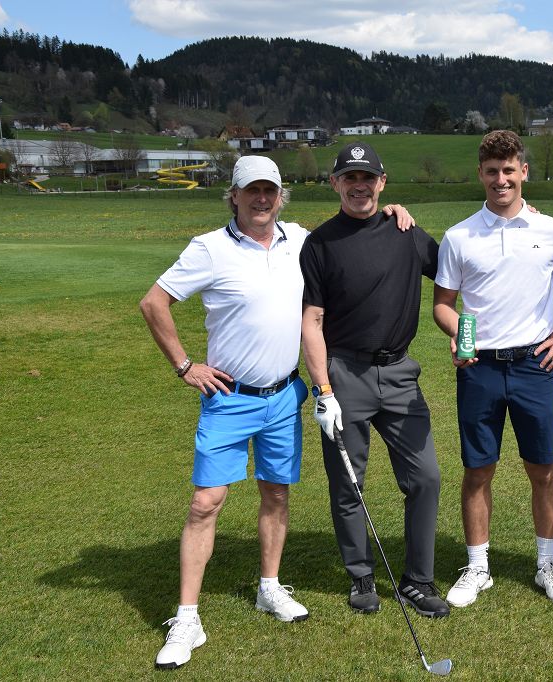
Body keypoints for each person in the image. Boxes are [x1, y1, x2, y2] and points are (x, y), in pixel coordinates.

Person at [140, 156, 310, 670]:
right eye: (251, 190)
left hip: (284, 396)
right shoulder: (209, 248)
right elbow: (154, 303)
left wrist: (393, 211)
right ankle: (187, 618)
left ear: (280, 196)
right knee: (205, 503)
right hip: (229, 399)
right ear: (233, 195)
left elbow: (352, 235)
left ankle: (269, 586)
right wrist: (184, 365)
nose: (261, 199)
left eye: (269, 190)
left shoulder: (300, 240)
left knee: (276, 493)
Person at [433, 130, 553, 609]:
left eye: (509, 170)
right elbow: (443, 304)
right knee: (477, 470)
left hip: (533, 366)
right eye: (492, 171)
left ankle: (547, 564)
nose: (500, 179)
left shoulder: (552, 230)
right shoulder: (459, 236)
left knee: (542, 469)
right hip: (479, 368)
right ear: (480, 174)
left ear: (523, 171)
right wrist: (458, 334)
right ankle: (477, 566)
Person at [299, 141, 450, 619]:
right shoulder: (319, 243)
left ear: (382, 183)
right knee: (349, 483)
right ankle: (361, 575)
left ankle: (418, 580)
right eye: (350, 178)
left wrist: (521, 217)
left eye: (368, 178)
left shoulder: (406, 232)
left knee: (425, 477)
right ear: (335, 184)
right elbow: (312, 321)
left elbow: (456, 270)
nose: (359, 186)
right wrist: (323, 390)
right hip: (345, 373)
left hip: (401, 373)